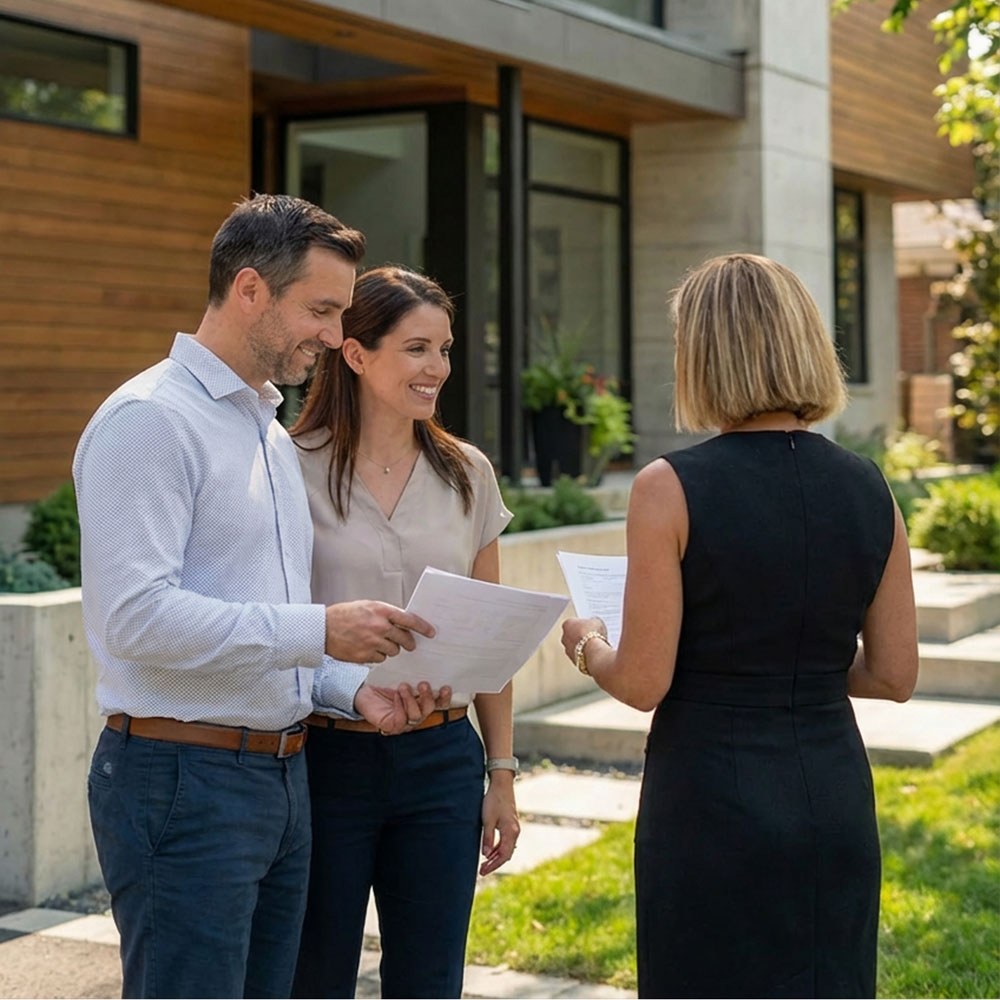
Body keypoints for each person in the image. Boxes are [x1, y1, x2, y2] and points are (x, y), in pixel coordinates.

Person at [73, 195, 451, 999]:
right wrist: (320, 628)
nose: (333, 333)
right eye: (320, 310)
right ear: (250, 290)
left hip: (280, 779)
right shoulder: (149, 421)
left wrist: (357, 691)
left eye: (341, 312)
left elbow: (272, 641)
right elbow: (135, 619)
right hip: (181, 780)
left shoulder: (270, 435)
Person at [561, 253, 919, 999]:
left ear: (703, 355)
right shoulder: (870, 487)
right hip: (833, 793)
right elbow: (894, 673)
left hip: (711, 804)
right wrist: (805, 667)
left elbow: (642, 681)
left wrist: (588, 643)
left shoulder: (669, 487)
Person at [289, 265, 520, 1000]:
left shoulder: (468, 475)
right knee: (314, 976)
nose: (438, 369)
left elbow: (493, 636)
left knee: (428, 982)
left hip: (444, 762)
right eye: (417, 348)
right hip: (326, 757)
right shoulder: (288, 468)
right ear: (355, 354)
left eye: (445, 349)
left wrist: (503, 775)